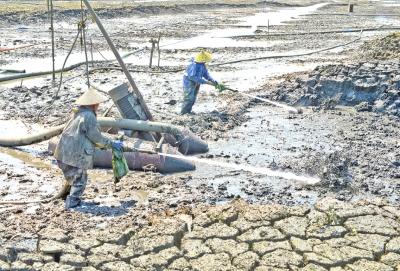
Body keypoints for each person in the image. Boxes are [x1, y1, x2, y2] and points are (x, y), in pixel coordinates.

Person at [54, 87, 123, 209]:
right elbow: (96, 138)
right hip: (75, 155)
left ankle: (67, 196)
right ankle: (72, 203)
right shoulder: (89, 116)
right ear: (93, 104)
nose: (99, 106)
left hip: (63, 153)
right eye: (98, 104)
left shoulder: (77, 113)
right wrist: (112, 144)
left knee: (73, 177)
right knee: (80, 180)